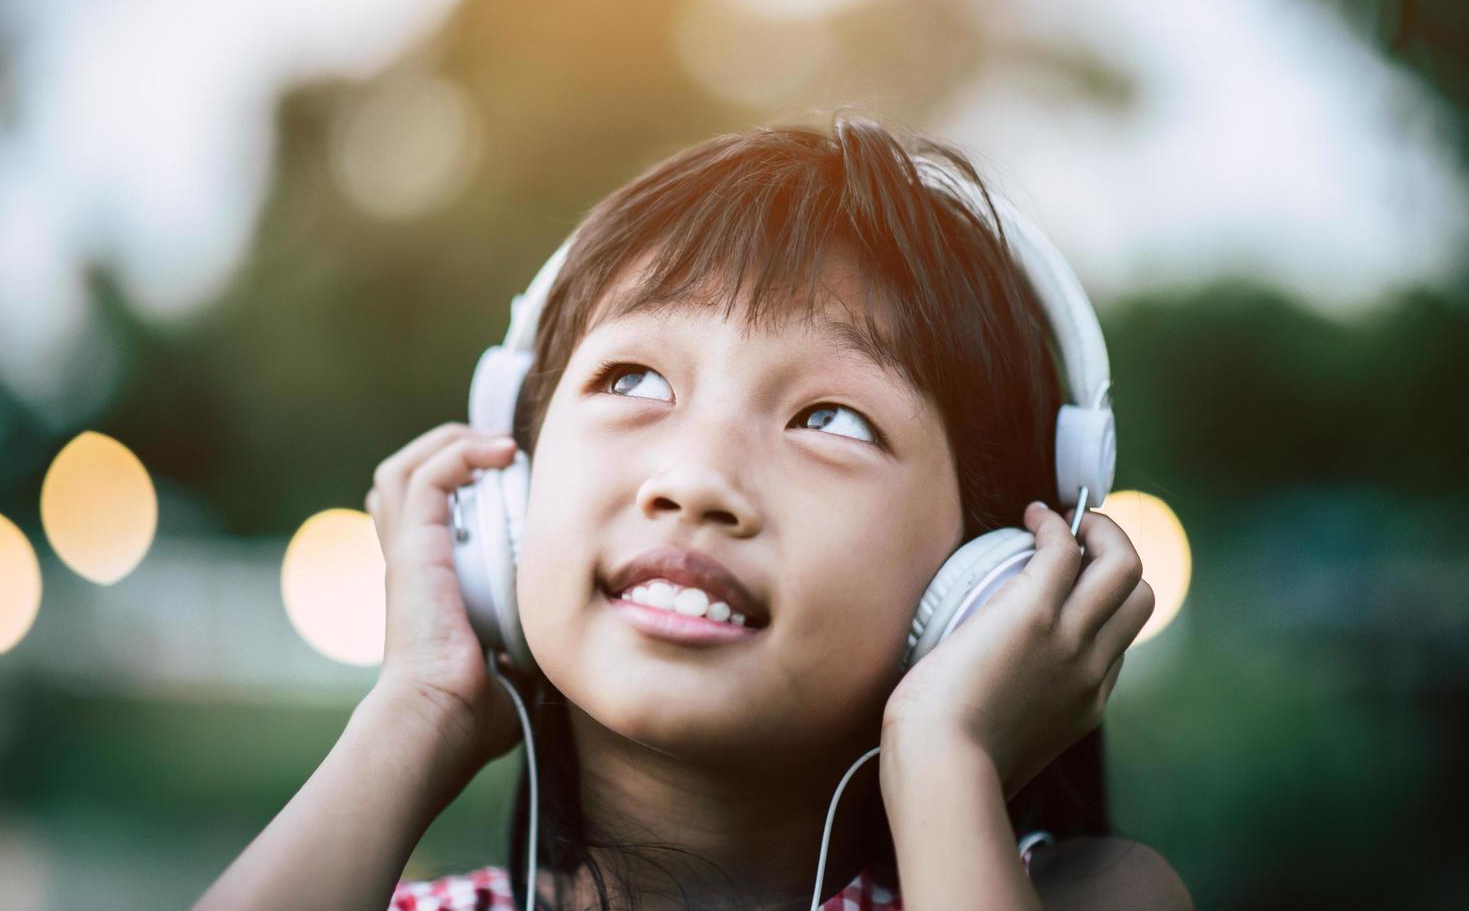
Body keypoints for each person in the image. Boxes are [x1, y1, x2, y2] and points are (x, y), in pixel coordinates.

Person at [196, 114, 1192, 910]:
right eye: (632, 377)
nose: (695, 479)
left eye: (831, 417)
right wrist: (419, 702)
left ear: (983, 577)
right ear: (506, 498)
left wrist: (944, 751)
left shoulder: (1080, 894)